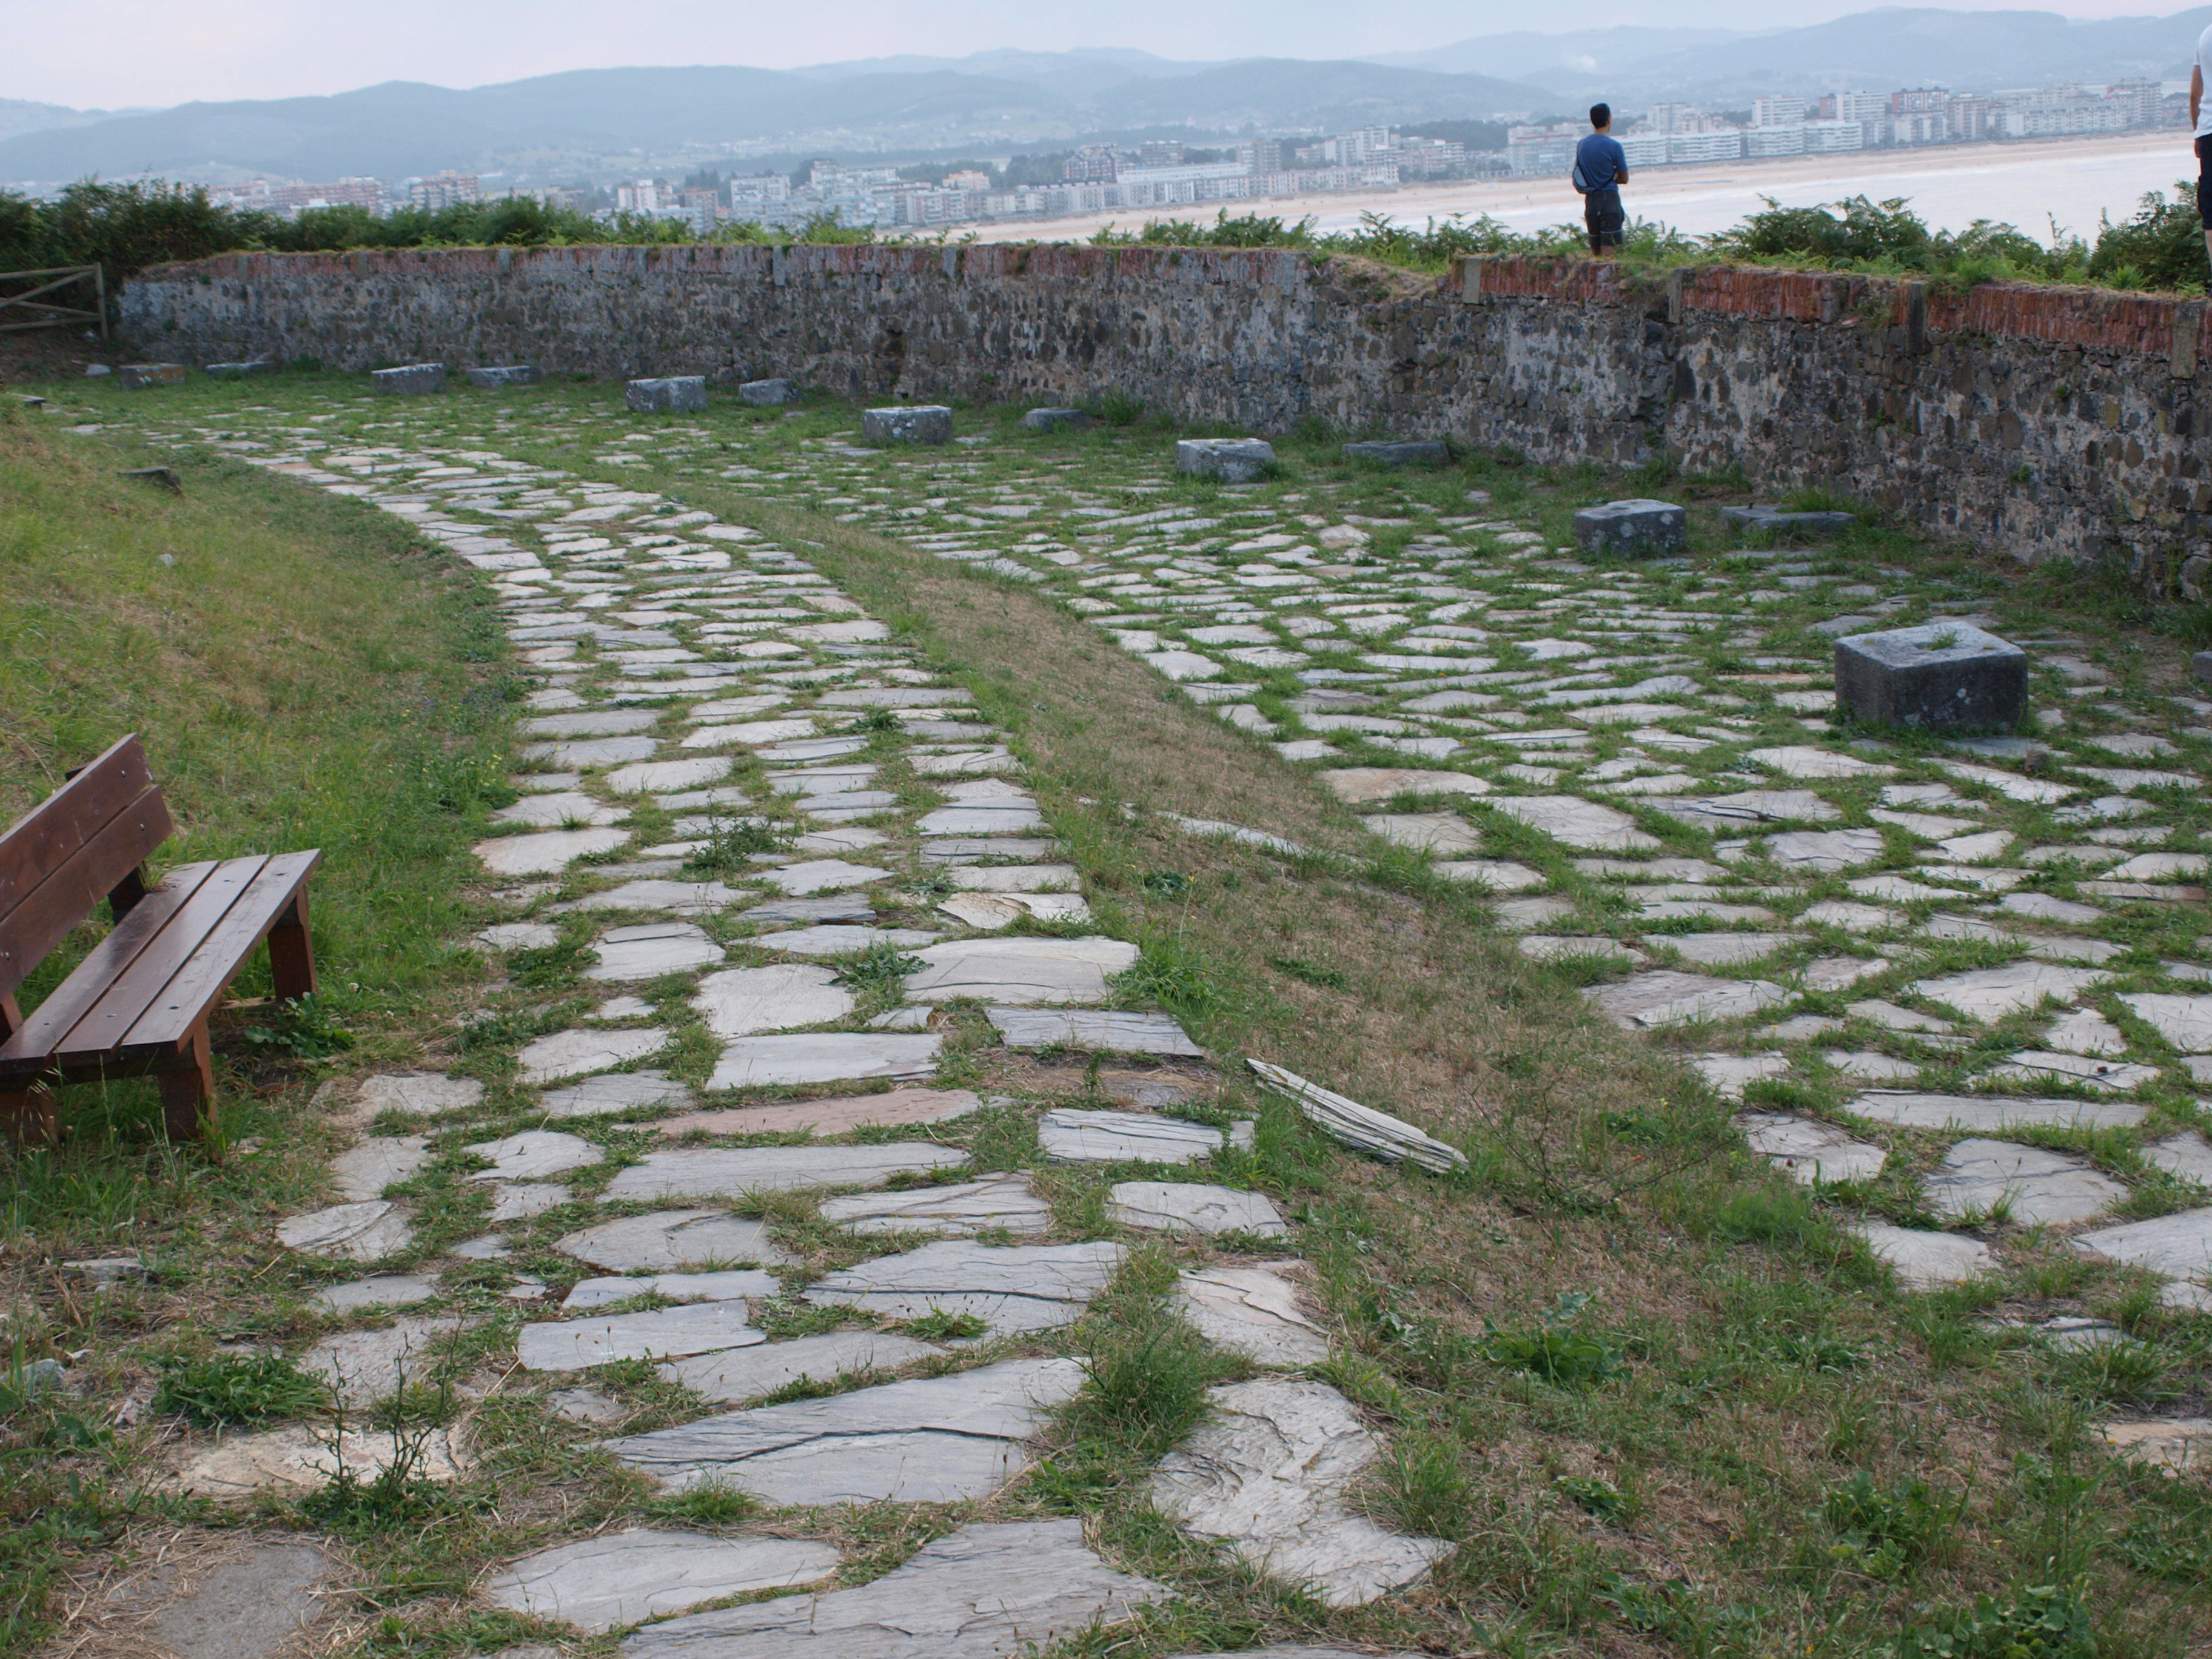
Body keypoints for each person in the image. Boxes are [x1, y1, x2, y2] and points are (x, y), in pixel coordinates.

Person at [1575, 104, 1629, 258]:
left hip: (1591, 200)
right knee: (1609, 247)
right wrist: (1615, 176)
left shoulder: (1582, 144)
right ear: (1609, 119)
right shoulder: (1614, 146)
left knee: (1595, 248)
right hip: (1609, 198)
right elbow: (1625, 178)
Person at [2193, 20, 2212, 273]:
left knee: (2211, 210)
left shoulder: (2206, 35)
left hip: (2209, 130)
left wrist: (2197, 132)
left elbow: (2194, 93)